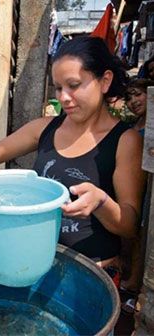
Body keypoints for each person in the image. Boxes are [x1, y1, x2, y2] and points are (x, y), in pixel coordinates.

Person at [0, 36, 146, 287]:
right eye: (58, 88)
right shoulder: (45, 128)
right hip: (38, 264)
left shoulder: (125, 140)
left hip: (91, 274)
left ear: (105, 81)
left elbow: (129, 224)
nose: (64, 97)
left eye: (74, 85)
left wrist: (100, 201)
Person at [120, 78, 153, 314]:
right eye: (129, 98)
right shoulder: (134, 126)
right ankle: (132, 276)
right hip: (136, 185)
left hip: (149, 188)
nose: (133, 101)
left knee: (142, 234)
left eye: (137, 94)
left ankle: (134, 281)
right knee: (134, 233)